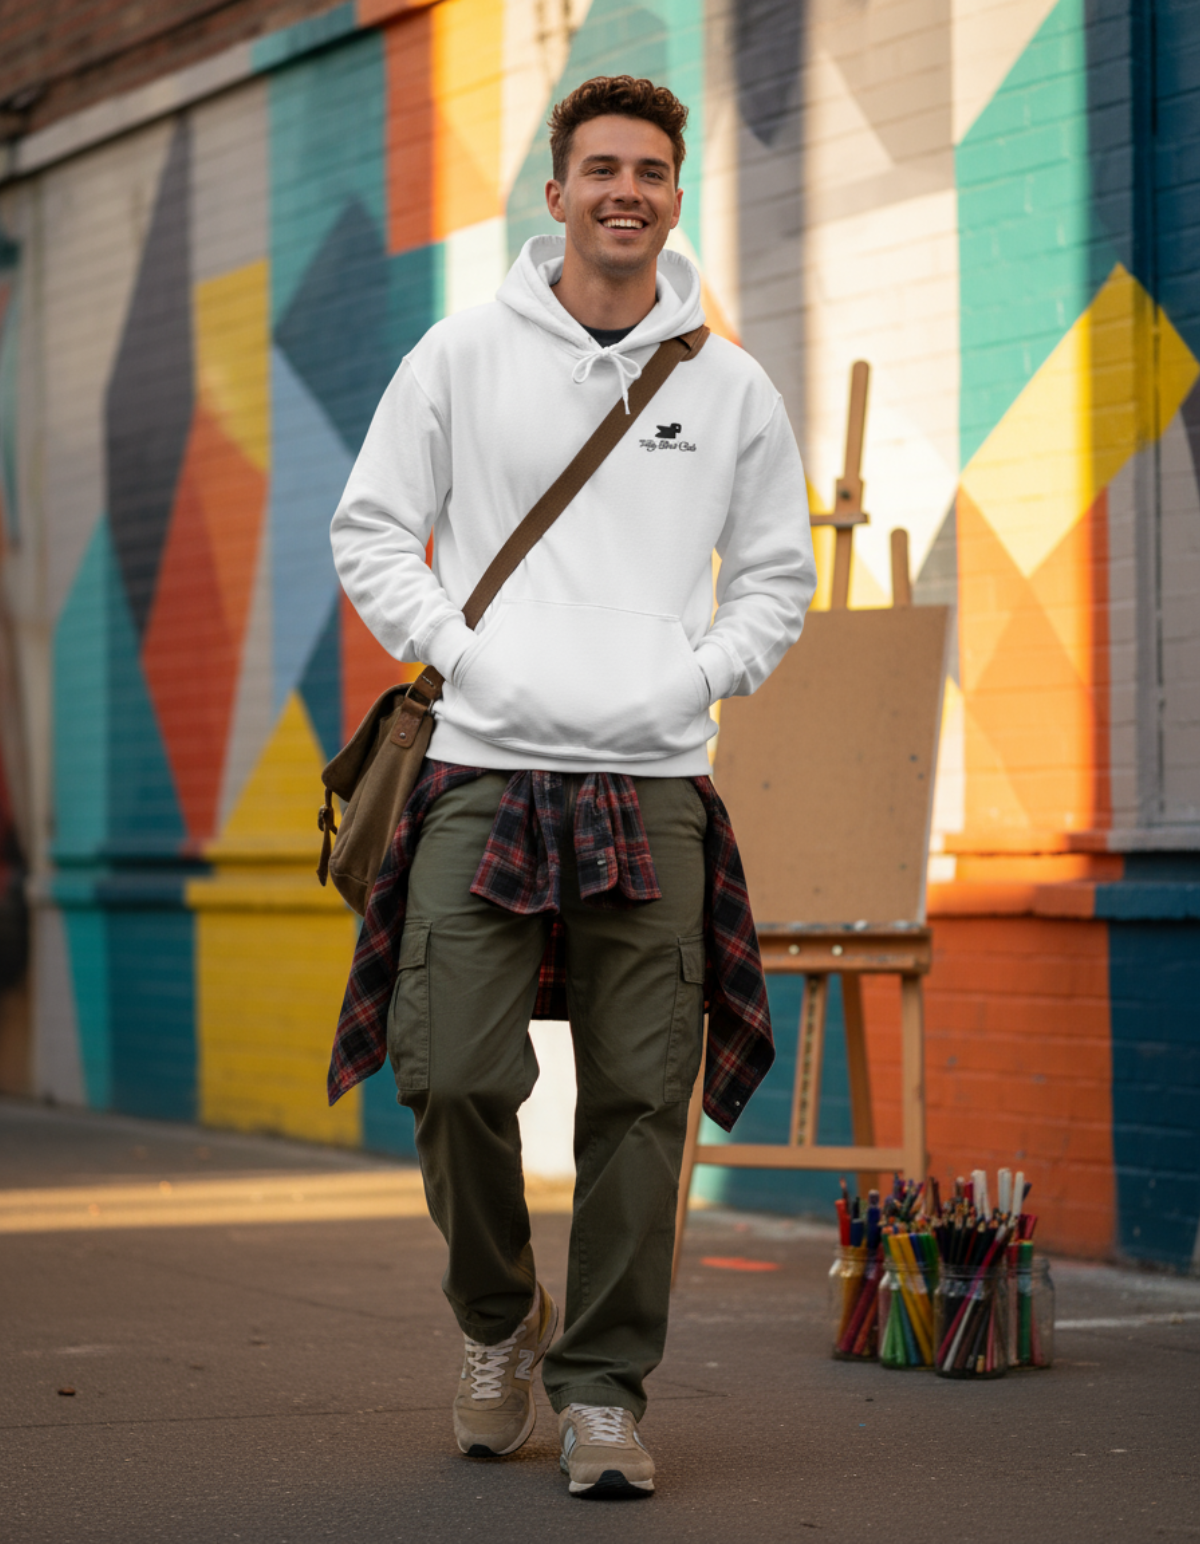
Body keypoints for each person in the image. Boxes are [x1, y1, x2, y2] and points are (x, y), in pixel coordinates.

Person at [329, 74, 815, 1499]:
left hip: (653, 779)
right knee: (452, 1073)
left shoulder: (728, 387)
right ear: (556, 193)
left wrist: (693, 677)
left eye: (650, 170)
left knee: (639, 1104)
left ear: (672, 194)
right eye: (600, 167)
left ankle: (603, 1393)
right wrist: (463, 653)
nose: (626, 189)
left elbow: (779, 578)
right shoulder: (462, 356)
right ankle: (500, 1323)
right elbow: (372, 534)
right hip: (482, 768)